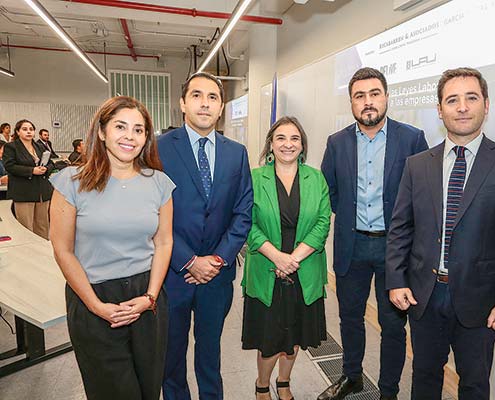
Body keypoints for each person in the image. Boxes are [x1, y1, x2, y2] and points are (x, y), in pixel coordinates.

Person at [385, 67, 495, 400]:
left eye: (471, 98)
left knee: (474, 382)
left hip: (481, 300)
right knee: (424, 375)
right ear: (440, 110)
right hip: (424, 295)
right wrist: (396, 280)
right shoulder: (417, 165)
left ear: (486, 104)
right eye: (452, 100)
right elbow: (400, 228)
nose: (462, 107)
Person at [49, 96, 175, 400]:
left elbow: (163, 241)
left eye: (139, 130)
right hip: (94, 296)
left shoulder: (159, 182)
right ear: (102, 131)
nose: (130, 137)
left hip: (147, 298)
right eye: (121, 127)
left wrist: (151, 297)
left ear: (146, 138)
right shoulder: (71, 182)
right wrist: (95, 306)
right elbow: (62, 249)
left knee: (148, 389)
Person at [319, 67, 429, 400]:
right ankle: (351, 376)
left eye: (374, 94)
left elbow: (421, 197)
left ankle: (389, 391)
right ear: (351, 102)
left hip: (394, 251)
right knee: (350, 317)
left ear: (386, 97)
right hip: (351, 245)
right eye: (360, 96)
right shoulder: (336, 143)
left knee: (393, 326)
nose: (368, 102)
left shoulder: (412, 138)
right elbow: (330, 192)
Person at [158, 72, 253, 400]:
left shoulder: (236, 152)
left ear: (221, 106)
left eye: (213, 97)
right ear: (182, 103)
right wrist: (188, 261)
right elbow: (152, 212)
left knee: (210, 354)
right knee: (171, 357)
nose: (205, 103)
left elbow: (243, 213)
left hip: (217, 274)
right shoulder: (158, 149)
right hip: (172, 274)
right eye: (196, 95)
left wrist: (216, 260)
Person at [242, 116, 331, 400]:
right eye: (281, 138)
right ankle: (261, 383)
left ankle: (283, 381)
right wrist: (277, 257)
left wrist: (292, 259)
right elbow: (247, 223)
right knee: (269, 339)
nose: (288, 144)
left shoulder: (315, 178)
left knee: (293, 339)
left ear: (302, 145)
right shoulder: (255, 178)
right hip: (267, 269)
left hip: (303, 270)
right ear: (271, 144)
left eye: (294, 138)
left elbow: (322, 223)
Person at [3, 119, 53, 239]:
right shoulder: (11, 147)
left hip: (42, 191)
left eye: (31, 129)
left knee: (43, 225)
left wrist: (46, 169)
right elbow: (9, 166)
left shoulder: (40, 146)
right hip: (23, 191)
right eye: (24, 129)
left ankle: (43, 252)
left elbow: (51, 163)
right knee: (26, 226)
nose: (28, 132)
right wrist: (32, 171)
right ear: (18, 132)